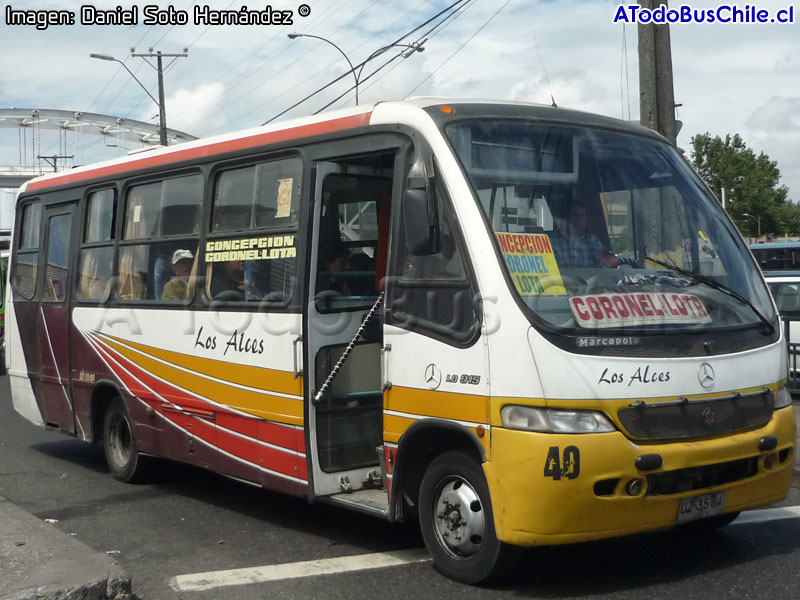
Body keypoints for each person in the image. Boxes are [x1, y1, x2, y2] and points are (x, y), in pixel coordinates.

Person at [550, 202, 618, 268]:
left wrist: (605, 260)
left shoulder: (591, 241)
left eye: (582, 216)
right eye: (575, 215)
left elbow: (608, 259)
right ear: (566, 218)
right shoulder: (552, 242)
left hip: (589, 279)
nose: (579, 220)